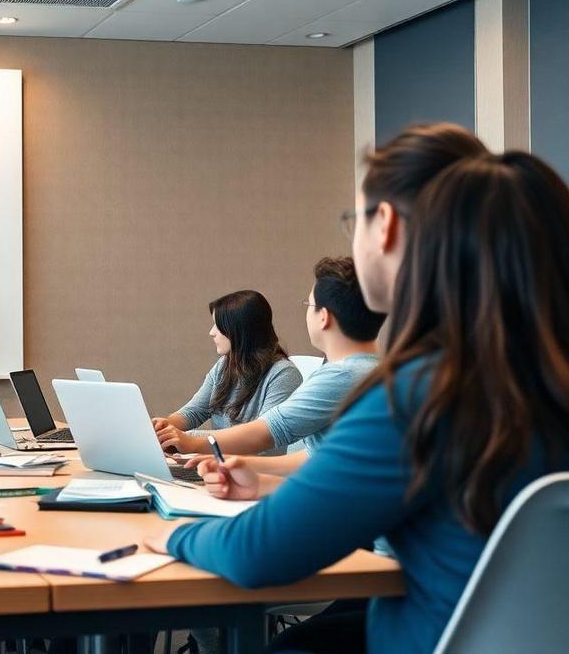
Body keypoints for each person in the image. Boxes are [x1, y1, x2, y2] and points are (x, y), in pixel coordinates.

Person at [149, 126, 569, 654]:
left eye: (355, 220)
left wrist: (166, 538)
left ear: (387, 226)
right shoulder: (528, 381)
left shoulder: (420, 396)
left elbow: (258, 554)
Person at [158, 257, 384, 476]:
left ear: (323, 317)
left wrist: (191, 442)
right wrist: (228, 462)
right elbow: (316, 457)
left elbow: (267, 432)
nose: (211, 332)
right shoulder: (379, 371)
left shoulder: (340, 376)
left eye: (309, 304)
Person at [152, 290, 302, 456]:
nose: (212, 332)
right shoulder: (224, 365)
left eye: (218, 325)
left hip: (253, 473)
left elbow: (263, 438)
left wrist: (190, 440)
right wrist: (164, 426)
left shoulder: (284, 375)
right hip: (217, 466)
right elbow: (194, 412)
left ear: (239, 329)